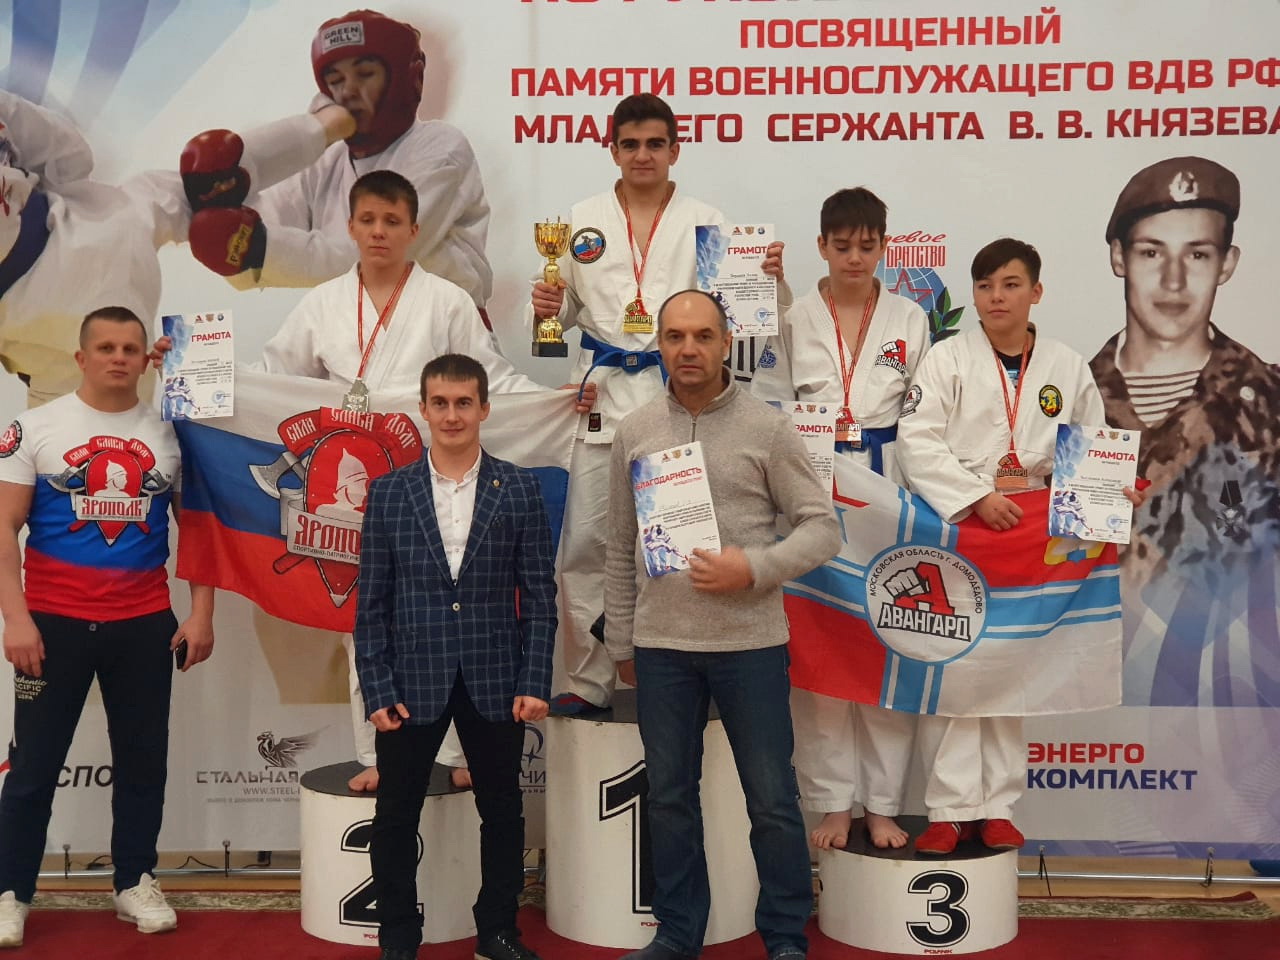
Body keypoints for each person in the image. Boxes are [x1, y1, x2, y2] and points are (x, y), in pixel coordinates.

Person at [532, 93, 786, 714]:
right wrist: (547, 310)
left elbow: (742, 325)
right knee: (587, 547)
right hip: (601, 400)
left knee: (685, 542)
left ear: (675, 149)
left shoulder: (708, 221)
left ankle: (689, 675)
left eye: (654, 144)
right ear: (612, 150)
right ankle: (589, 681)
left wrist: (769, 282)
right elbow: (562, 317)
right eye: (630, 144)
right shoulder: (580, 222)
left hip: (682, 401)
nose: (642, 155)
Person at [604, 290, 839, 960]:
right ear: (659, 343)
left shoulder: (768, 428)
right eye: (675, 336)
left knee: (772, 800)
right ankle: (678, 933)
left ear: (726, 341)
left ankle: (785, 935)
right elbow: (618, 545)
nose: (688, 349)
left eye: (703, 336)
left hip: (750, 647)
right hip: (662, 649)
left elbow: (823, 528)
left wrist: (755, 568)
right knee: (669, 799)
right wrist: (621, 641)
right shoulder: (634, 430)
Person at [896, 238, 1143, 856]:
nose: (996, 297)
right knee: (955, 666)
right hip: (963, 526)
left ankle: (997, 806)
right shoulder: (948, 359)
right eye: (984, 286)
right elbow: (917, 439)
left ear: (1036, 291)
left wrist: (1111, 490)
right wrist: (975, 496)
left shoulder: (1066, 365)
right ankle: (949, 809)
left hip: (1033, 532)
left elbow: (1089, 444)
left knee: (1012, 667)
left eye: (1010, 285)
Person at [0, 307, 215, 948]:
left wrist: (202, 612)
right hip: (52, 627)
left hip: (144, 625)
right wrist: (16, 618)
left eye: (129, 348)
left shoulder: (175, 435)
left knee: (143, 763)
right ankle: (11, 892)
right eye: (105, 347)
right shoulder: (34, 427)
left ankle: (135, 881)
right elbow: (3, 527)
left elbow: (199, 532)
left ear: (147, 358)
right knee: (33, 767)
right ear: (81, 357)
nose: (118, 357)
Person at [355, 353, 554, 960]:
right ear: (422, 409)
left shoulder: (519, 487)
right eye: (439, 403)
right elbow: (371, 603)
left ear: (484, 409)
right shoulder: (389, 493)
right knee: (395, 815)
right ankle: (397, 937)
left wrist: (535, 678)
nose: (451, 415)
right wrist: (377, 687)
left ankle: (498, 931)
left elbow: (540, 597)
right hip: (411, 679)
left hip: (496, 677)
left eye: (463, 402)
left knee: (503, 813)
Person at [752, 187, 931, 851]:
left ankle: (882, 805)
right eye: (843, 245)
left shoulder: (910, 317)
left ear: (884, 246)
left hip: (889, 490)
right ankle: (832, 802)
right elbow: (771, 404)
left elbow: (924, 415)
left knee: (885, 648)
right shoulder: (796, 316)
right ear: (822, 246)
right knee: (822, 650)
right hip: (814, 488)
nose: (855, 257)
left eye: (867, 245)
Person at [0, 88, 354, 404]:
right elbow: (69, 155)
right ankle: (328, 125)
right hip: (104, 227)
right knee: (207, 179)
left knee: (93, 444)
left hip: (51, 329)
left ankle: (259, 252)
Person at [1089, 156, 1280, 708]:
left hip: (1229, 703)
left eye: (1197, 254)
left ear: (1227, 263)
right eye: (1152, 252)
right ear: (1119, 257)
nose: (1174, 281)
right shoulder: (1069, 398)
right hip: (1096, 695)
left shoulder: (1269, 405)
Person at [190, 8, 494, 319]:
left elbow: (379, 255)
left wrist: (258, 247)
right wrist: (226, 216)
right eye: (335, 80)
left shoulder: (440, 146)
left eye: (365, 74)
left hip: (445, 334)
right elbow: (265, 235)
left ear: (409, 80)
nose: (347, 91)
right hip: (359, 333)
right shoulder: (326, 163)